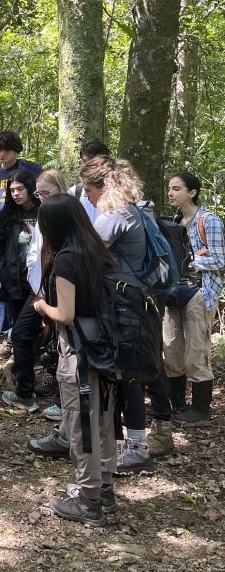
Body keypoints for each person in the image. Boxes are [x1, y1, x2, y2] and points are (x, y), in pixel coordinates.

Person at [81, 156, 174, 470]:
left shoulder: (114, 216)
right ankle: (142, 436)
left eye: (88, 190)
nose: (86, 197)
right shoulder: (134, 210)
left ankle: (136, 446)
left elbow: (89, 258)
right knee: (139, 367)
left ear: (102, 187)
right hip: (139, 300)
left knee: (129, 373)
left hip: (127, 306)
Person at [32, 194, 118, 525]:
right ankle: (104, 490)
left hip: (79, 353)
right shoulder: (98, 252)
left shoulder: (67, 260)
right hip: (106, 350)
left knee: (82, 422)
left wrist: (41, 306)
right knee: (103, 420)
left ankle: (89, 501)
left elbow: (64, 314)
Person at [1, 169, 68, 413]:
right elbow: (36, 253)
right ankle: (25, 393)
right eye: (39, 193)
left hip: (62, 287)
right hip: (40, 288)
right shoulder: (43, 214)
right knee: (21, 334)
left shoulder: (69, 213)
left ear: (60, 188)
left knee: (66, 343)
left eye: (46, 192)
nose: (41, 197)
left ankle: (65, 404)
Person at [163, 172, 225, 426]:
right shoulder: (172, 221)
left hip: (200, 291)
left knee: (196, 352)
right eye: (170, 188)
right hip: (171, 293)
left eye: (177, 189)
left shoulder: (208, 221)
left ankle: (200, 410)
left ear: (192, 192)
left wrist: (191, 263)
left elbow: (221, 260)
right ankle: (176, 403)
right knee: (171, 350)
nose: (171, 193)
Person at [0, 130, 42, 337]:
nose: (2, 154)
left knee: (30, 282)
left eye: (7, 150)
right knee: (4, 283)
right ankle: (6, 332)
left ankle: (31, 331)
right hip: (6, 227)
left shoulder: (28, 168)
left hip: (29, 226)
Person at [0, 171, 39, 329]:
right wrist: (3, 271)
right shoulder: (7, 215)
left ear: (30, 188)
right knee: (20, 323)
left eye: (20, 189)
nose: (16, 194)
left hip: (41, 279)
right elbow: (0, 247)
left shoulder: (44, 210)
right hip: (16, 280)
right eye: (12, 190)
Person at [68, 139, 111, 223]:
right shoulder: (75, 192)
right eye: (85, 161)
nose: (89, 165)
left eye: (94, 162)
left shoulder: (119, 193)